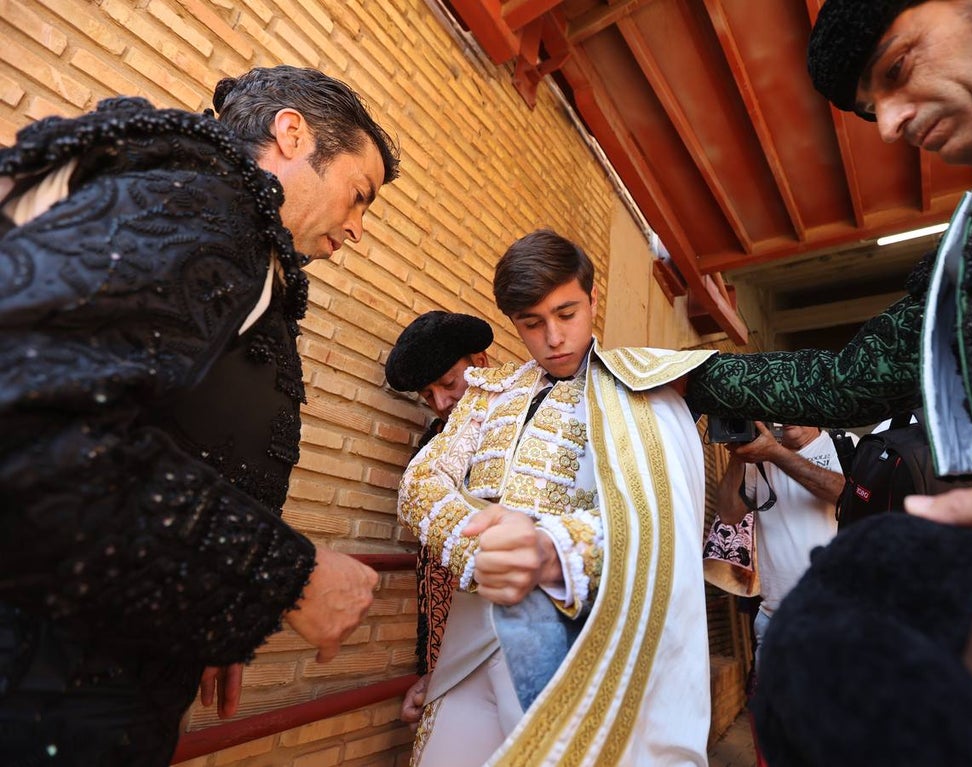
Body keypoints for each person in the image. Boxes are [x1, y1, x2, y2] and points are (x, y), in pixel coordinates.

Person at [680, 0, 972, 763]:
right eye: (875, 109)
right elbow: (850, 380)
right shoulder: (971, 232)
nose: (892, 123)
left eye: (899, 69)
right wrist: (695, 375)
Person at [0, 65, 399, 766]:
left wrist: (204, 606)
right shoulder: (199, 201)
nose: (359, 228)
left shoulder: (239, 232)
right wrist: (281, 575)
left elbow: (172, 430)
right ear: (291, 132)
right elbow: (28, 418)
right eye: (358, 195)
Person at [398, 229, 717, 766]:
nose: (553, 338)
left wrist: (549, 551)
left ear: (593, 300)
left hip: (572, 636)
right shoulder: (487, 392)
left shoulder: (637, 391)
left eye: (566, 314)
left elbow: (653, 521)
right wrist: (488, 554)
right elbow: (419, 485)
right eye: (532, 323)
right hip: (472, 635)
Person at [382, 310, 493, 725]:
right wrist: (434, 669)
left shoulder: (531, 415)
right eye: (428, 395)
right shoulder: (435, 442)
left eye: (448, 384)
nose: (442, 403)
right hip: (452, 642)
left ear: (479, 363)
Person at [714, 424, 849, 651]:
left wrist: (776, 454)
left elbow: (844, 494)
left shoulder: (844, 444)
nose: (786, 418)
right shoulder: (759, 460)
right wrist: (737, 454)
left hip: (834, 616)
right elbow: (728, 515)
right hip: (774, 618)